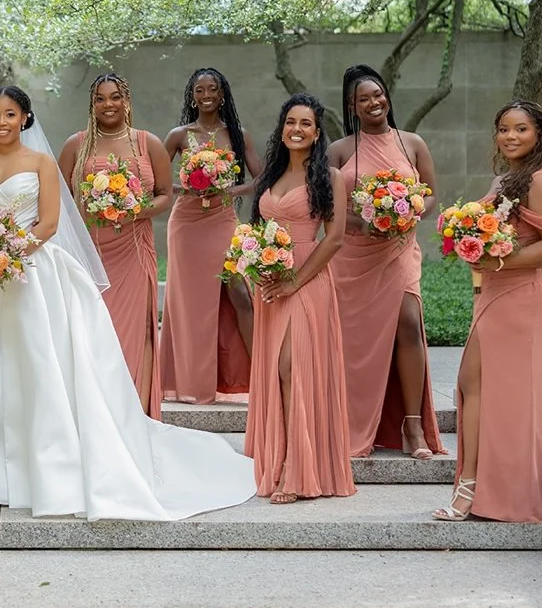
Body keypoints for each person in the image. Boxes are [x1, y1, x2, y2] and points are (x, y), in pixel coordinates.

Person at [0, 84, 257, 519]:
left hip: (30, 275)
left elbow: (48, 223)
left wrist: (6, 254)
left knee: (36, 365)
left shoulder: (43, 162)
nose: (2, 122)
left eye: (10, 114)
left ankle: (44, 470)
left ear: (25, 119)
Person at [436, 100, 542, 524]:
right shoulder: (507, 178)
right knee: (472, 382)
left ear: (540, 135)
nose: (510, 136)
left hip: (528, 293)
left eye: (521, 129)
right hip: (497, 289)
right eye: (503, 129)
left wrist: (498, 261)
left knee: (518, 394)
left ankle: (511, 495)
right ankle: (474, 487)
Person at [328, 65, 444, 460]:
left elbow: (429, 194)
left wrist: (410, 212)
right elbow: (328, 206)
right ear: (352, 106)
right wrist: (364, 220)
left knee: (409, 324)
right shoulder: (340, 150)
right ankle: (353, 421)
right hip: (354, 259)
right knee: (356, 342)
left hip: (399, 250)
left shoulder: (411, 142)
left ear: (387, 97)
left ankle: (412, 425)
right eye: (364, 99)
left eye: (378, 95)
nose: (374, 102)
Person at [244, 93, 356, 502]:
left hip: (308, 278)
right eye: (291, 121)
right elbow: (256, 232)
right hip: (271, 281)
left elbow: (336, 237)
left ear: (317, 131)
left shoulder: (330, 177)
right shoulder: (270, 176)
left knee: (292, 368)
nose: (297, 129)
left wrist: (296, 280)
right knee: (276, 370)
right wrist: (253, 264)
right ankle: (276, 461)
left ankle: (297, 466)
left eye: (305, 123)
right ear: (282, 126)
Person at [58, 70, 172, 417]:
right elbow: (59, 199)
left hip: (134, 255)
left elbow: (166, 195)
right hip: (90, 256)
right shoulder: (76, 145)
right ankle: (96, 416)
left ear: (127, 101)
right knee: (94, 335)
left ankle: (135, 415)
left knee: (135, 335)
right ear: (92, 106)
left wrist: (133, 210)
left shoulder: (147, 143)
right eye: (100, 98)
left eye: (115, 97)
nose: (108, 104)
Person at [160, 67, 259, 406]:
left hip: (222, 220)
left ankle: (262, 377)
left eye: (212, 89)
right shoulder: (178, 135)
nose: (205, 95)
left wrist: (231, 189)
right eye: (199, 90)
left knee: (240, 295)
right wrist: (184, 187)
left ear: (222, 94)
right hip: (186, 224)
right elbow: (154, 181)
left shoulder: (237, 134)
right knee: (191, 304)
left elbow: (261, 179)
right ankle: (191, 382)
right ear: (192, 95)